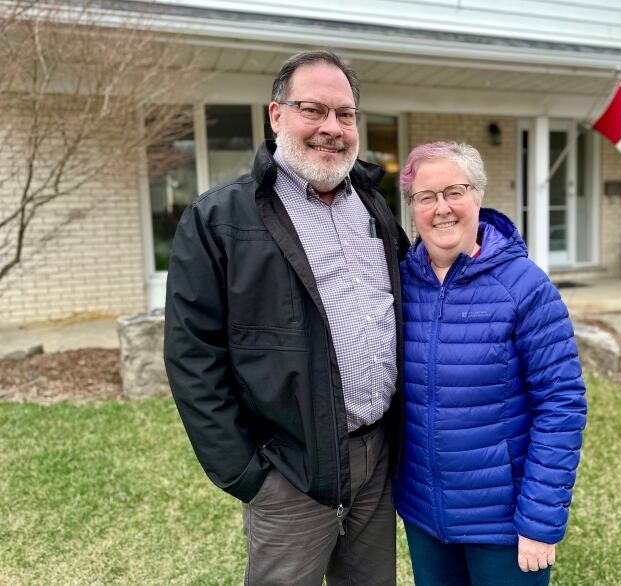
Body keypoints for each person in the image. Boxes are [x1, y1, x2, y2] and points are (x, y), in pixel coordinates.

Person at [163, 50, 409, 586]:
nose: (332, 128)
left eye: (345, 114)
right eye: (313, 110)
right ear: (276, 116)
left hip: (376, 461)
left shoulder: (373, 207)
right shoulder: (219, 219)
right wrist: (249, 476)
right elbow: (192, 356)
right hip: (291, 472)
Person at [394, 142, 587, 585]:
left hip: (503, 526)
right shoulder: (401, 284)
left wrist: (539, 523)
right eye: (426, 197)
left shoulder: (525, 287)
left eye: (454, 191)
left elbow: (562, 406)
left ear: (478, 196)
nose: (441, 208)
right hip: (426, 516)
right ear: (413, 209)